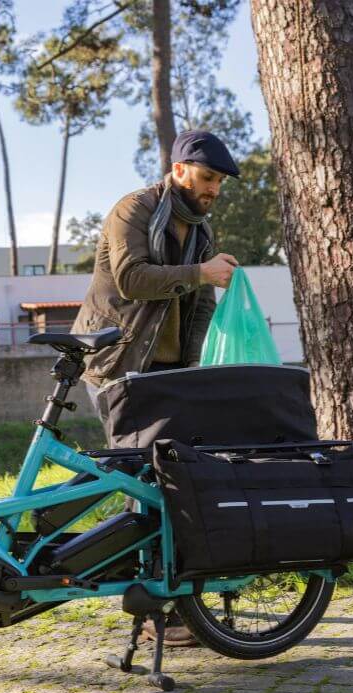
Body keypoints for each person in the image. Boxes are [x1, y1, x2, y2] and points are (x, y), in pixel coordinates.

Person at [71, 129, 240, 647]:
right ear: (180, 168)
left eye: (219, 183)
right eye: (207, 177)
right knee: (140, 486)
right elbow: (132, 278)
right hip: (118, 362)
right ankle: (148, 612)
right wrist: (200, 273)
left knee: (168, 485)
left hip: (167, 372)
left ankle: (168, 598)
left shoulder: (199, 230)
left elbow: (198, 307)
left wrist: (195, 369)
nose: (213, 190)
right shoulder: (135, 210)